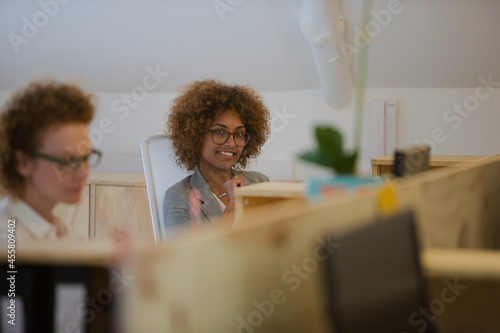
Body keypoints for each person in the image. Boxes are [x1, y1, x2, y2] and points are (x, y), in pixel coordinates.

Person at [163, 79, 271, 240]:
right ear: (196, 135)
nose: (231, 143)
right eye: (220, 132)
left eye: (239, 134)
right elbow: (192, 261)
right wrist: (234, 205)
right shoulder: (180, 196)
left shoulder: (259, 182)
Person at [0, 80, 101, 243]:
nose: (84, 173)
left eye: (86, 158)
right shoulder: (7, 240)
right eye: (68, 161)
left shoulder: (58, 230)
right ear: (23, 163)